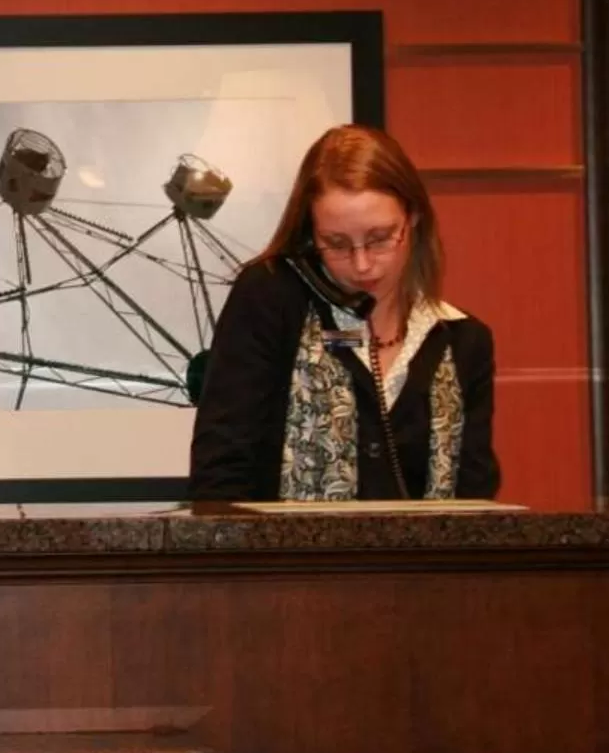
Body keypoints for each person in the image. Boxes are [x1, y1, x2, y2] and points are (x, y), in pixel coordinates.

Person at [188, 125, 499, 502]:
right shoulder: (271, 296)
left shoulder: (463, 340)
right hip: (286, 559)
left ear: (413, 216)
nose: (362, 264)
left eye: (380, 238)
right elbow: (222, 468)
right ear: (310, 233)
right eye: (336, 243)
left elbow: (475, 498)